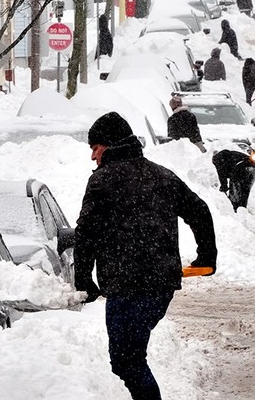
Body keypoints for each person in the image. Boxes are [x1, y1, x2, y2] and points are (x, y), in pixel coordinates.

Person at [74, 112, 217, 400]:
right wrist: (206, 257)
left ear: (109, 145)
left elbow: (85, 233)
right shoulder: (162, 176)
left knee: (126, 361)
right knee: (130, 358)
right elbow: (199, 211)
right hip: (160, 286)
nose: (92, 156)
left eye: (95, 147)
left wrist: (83, 281)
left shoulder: (103, 181)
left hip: (127, 287)